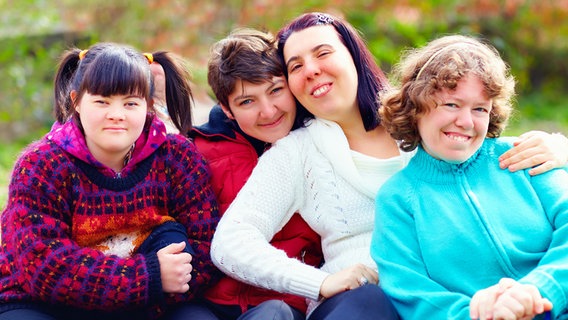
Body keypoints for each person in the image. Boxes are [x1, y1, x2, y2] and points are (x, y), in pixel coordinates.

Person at [210, 12, 568, 320]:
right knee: (373, 303)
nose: (312, 70)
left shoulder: (422, 111)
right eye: (296, 66)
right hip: (363, 303)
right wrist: (316, 281)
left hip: (456, 290)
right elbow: (231, 241)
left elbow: (481, 134)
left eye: (323, 53)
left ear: (353, 57)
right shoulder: (297, 152)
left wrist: (558, 148)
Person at [0, 42, 220, 320]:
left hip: (150, 302)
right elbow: (42, 266)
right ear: (76, 101)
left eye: (130, 103)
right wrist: (148, 276)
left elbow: (206, 244)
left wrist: (167, 279)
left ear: (148, 106)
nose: (116, 114)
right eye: (102, 101)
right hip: (45, 302)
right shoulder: (41, 166)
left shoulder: (177, 158)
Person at [371, 34, 568, 319]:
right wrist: (482, 314)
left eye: (480, 109)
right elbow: (411, 292)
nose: (466, 122)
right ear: (415, 107)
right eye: (451, 104)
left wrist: (538, 290)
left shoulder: (523, 156)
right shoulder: (398, 199)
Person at [164, 28, 323, 320]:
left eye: (276, 90)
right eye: (247, 101)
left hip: (284, 300)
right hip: (209, 299)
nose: (268, 111)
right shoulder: (197, 153)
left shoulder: (319, 144)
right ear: (226, 108)